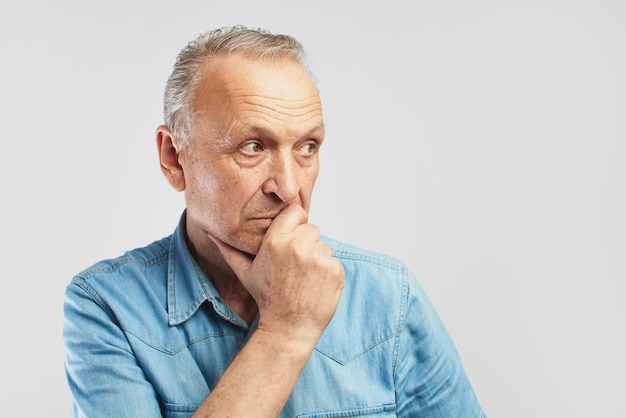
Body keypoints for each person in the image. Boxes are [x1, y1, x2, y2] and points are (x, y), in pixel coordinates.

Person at [63, 25, 486, 417]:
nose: (288, 187)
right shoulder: (107, 306)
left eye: (307, 147)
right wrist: (286, 329)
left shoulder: (389, 297)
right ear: (174, 158)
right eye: (252, 146)